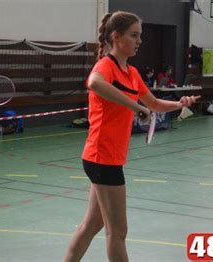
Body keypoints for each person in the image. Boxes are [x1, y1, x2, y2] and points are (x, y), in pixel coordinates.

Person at [64, 11, 199, 262]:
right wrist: (135, 106)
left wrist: (180, 104)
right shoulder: (106, 66)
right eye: (134, 35)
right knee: (117, 231)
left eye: (140, 36)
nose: (139, 41)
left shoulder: (132, 73)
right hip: (101, 158)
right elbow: (94, 83)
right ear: (116, 37)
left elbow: (155, 103)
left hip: (107, 157)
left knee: (92, 225)